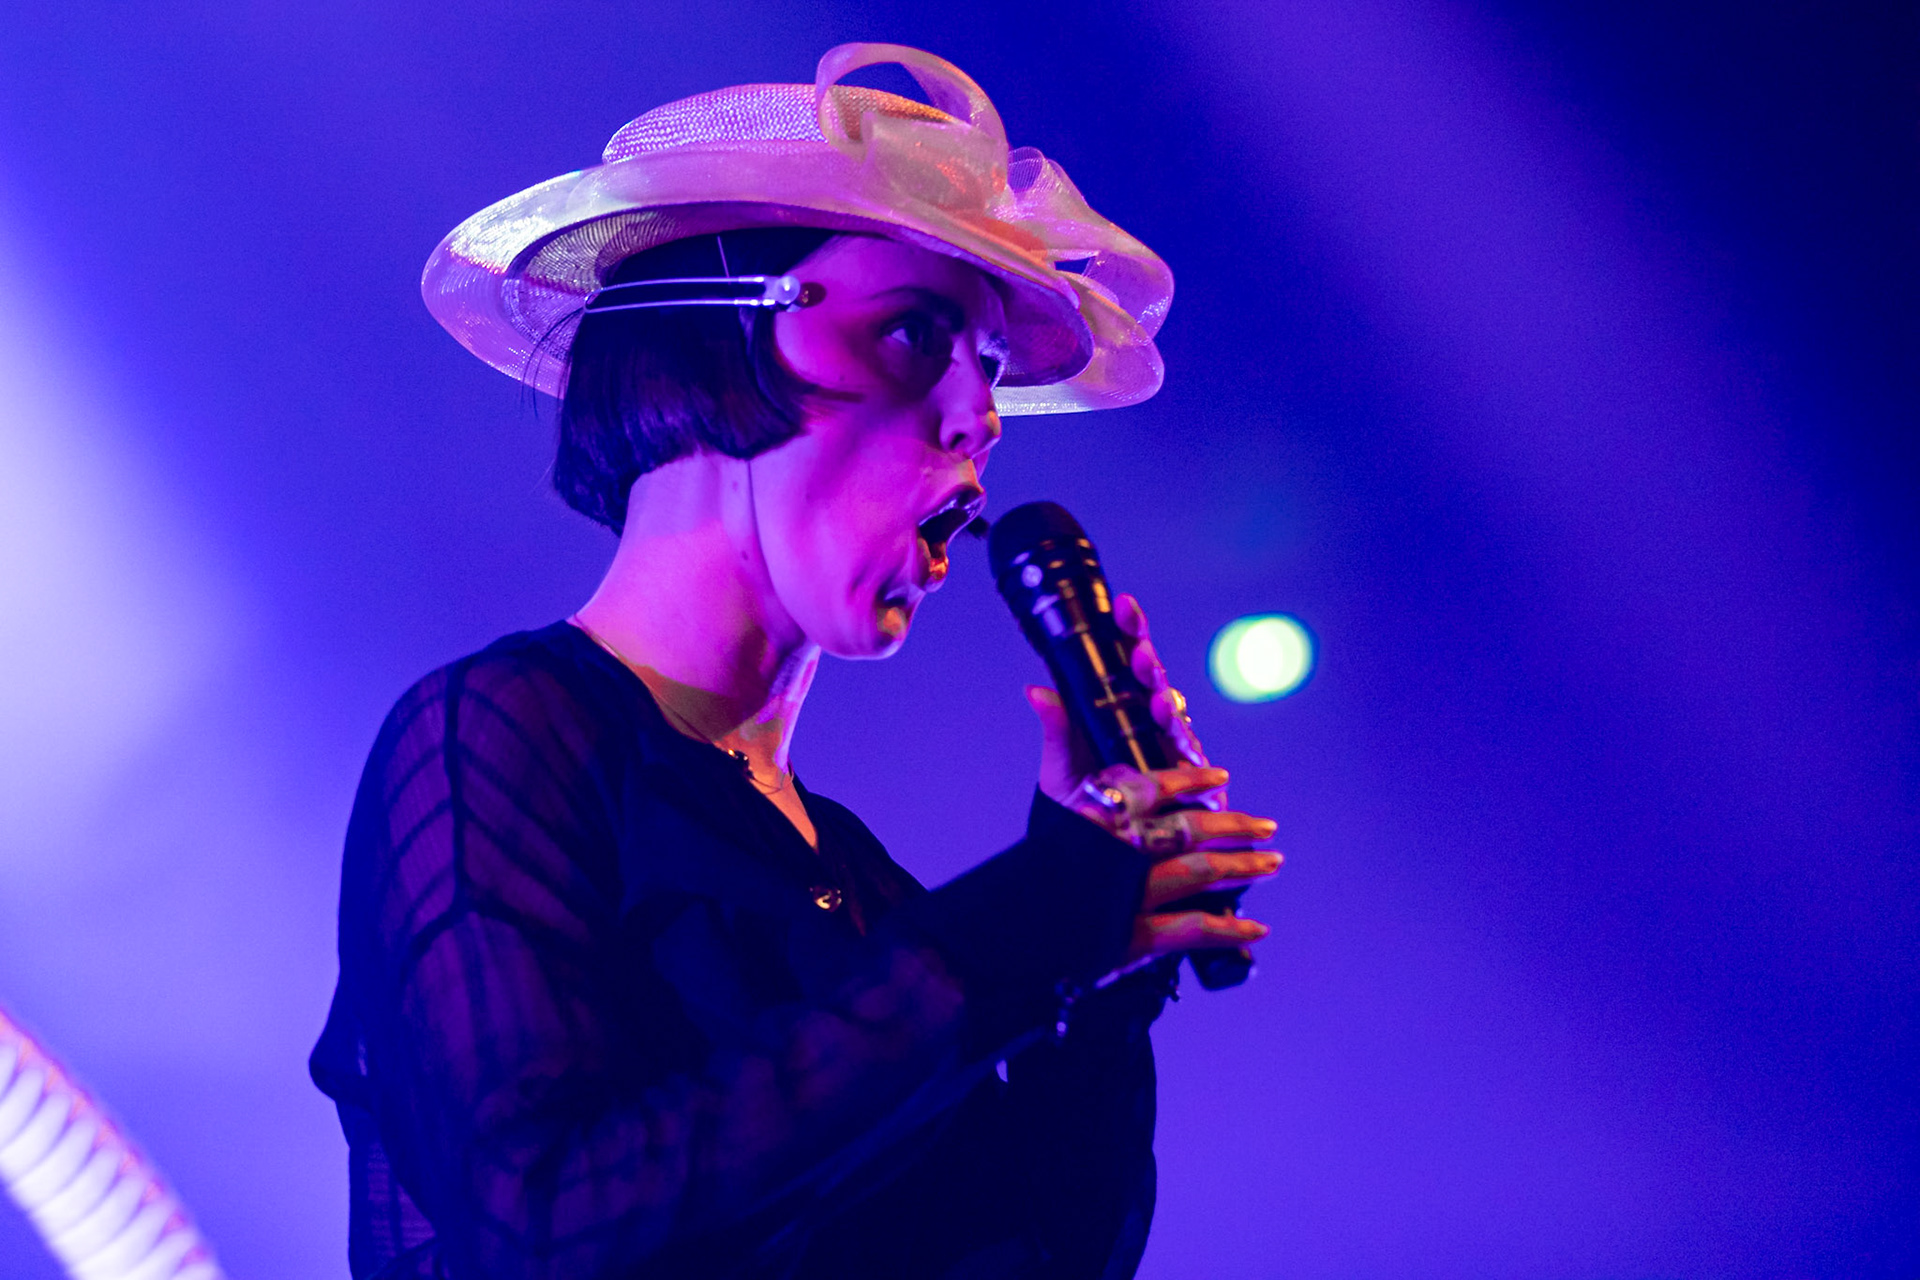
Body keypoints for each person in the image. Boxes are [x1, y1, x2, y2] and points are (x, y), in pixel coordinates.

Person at [310, 42, 1281, 1280]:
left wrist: (1101, 966)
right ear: (718, 347)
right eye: (916, 333)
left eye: (985, 371)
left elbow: (1033, 1252)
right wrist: (1024, 923)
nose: (978, 417)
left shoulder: (852, 873)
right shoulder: (496, 733)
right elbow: (542, 1218)